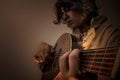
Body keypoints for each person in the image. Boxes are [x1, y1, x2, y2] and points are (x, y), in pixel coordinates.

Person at [33, 0, 120, 80]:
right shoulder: (72, 40)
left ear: (85, 5)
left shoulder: (113, 35)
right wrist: (43, 52)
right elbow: (46, 68)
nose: (64, 16)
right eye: (62, 13)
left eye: (67, 9)